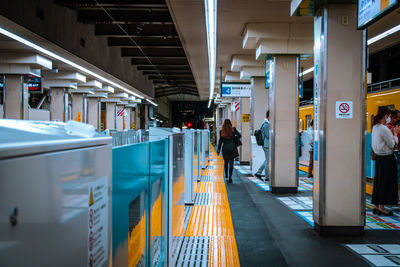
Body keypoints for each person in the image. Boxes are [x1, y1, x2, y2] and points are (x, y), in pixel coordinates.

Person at [371, 106, 400, 216]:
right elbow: (393, 145)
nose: (389, 118)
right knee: (385, 182)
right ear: (385, 116)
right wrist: (395, 134)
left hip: (379, 158)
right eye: (388, 116)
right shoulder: (383, 128)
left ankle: (376, 206)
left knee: (378, 182)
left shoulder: (375, 127)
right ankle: (382, 208)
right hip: (387, 158)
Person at [217, 119, 241, 183]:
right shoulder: (233, 130)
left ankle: (226, 176)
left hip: (225, 149)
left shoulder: (222, 131)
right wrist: (235, 134)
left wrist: (218, 150)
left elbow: (220, 141)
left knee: (226, 163)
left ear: (224, 124)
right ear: (230, 123)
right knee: (231, 163)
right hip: (232, 148)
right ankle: (230, 177)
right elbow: (239, 135)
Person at [255, 111, 270, 181]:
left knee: (267, 160)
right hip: (266, 145)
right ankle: (267, 177)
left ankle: (258, 172)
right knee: (267, 161)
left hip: (266, 144)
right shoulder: (266, 124)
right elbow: (268, 135)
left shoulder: (264, 123)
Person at [387, 109, 400, 184]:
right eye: (397, 118)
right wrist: (395, 133)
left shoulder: (395, 127)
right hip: (394, 153)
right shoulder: (389, 128)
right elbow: (392, 143)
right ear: (393, 118)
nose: (399, 119)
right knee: (395, 173)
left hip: (397, 152)